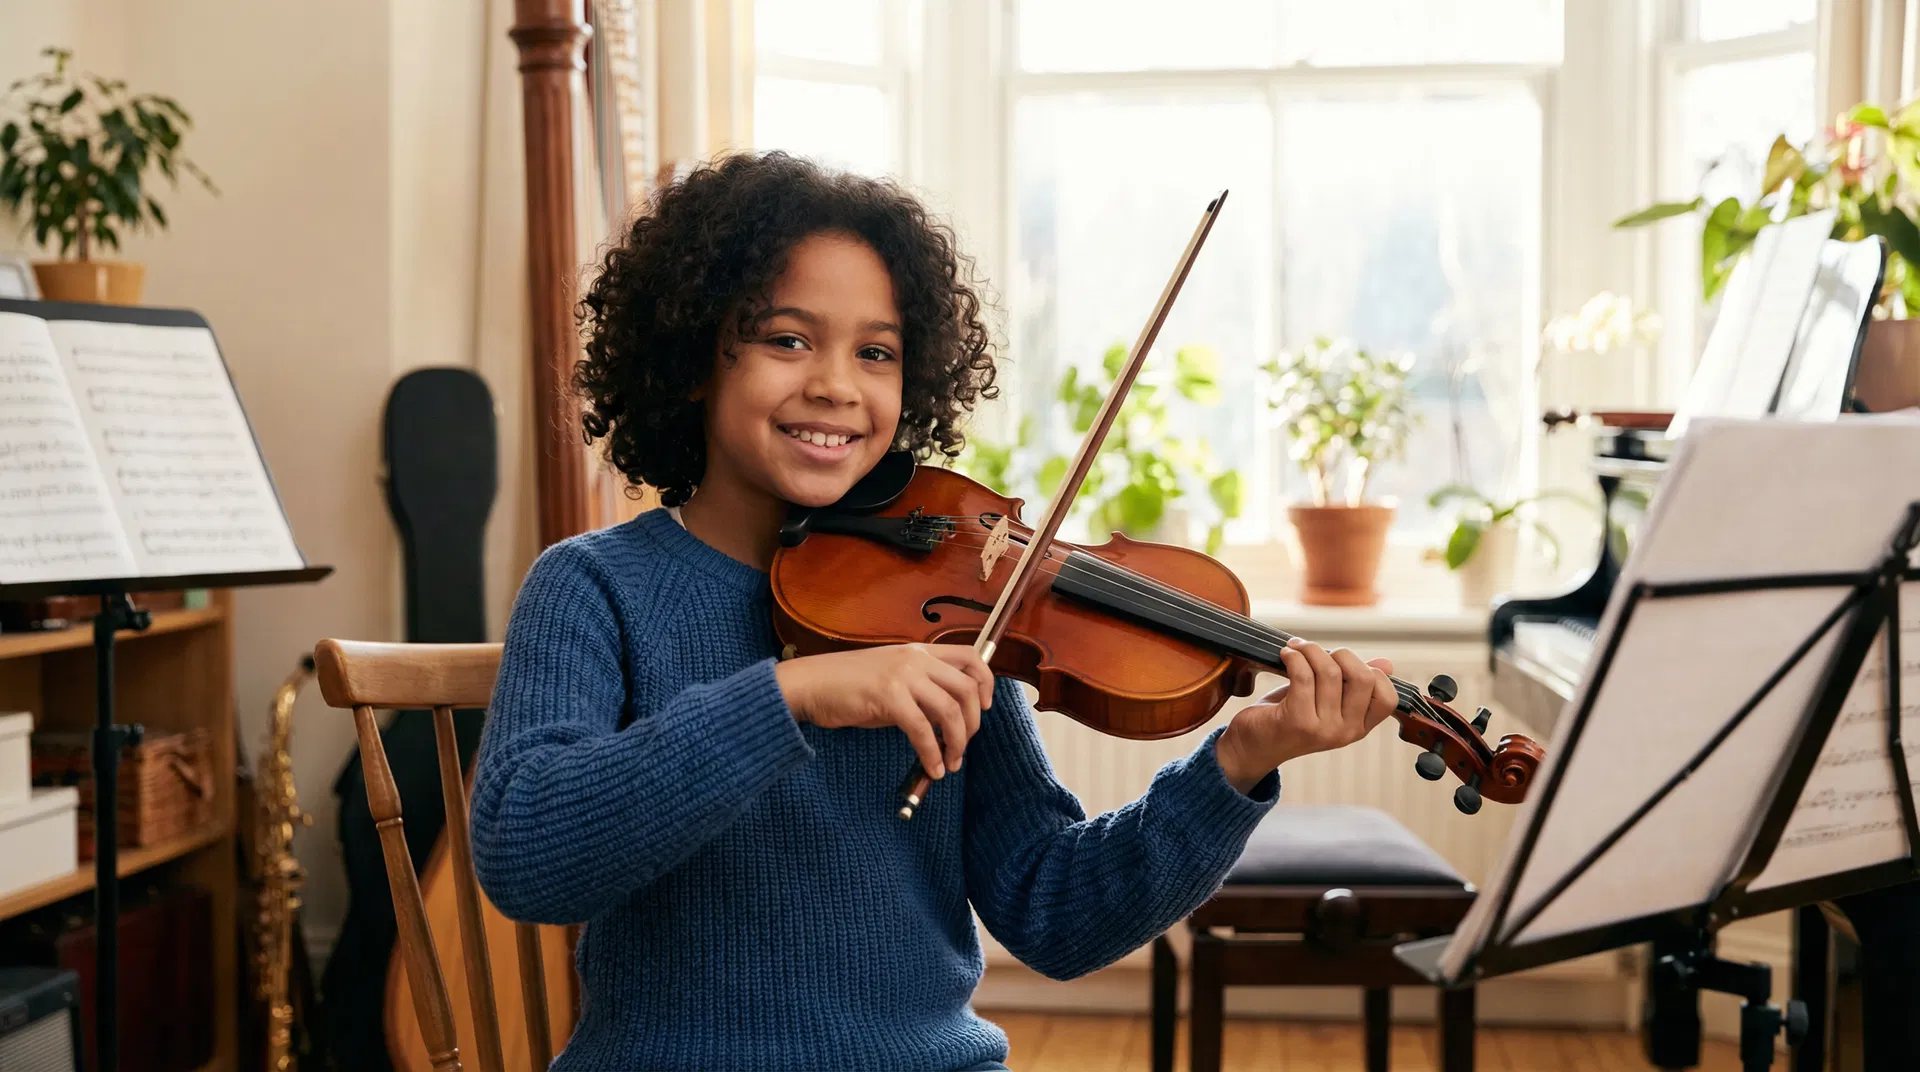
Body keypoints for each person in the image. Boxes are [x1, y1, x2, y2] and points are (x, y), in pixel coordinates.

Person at [468, 150, 1400, 1071]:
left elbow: (1054, 914)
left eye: (876, 352)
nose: (837, 383)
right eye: (788, 339)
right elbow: (529, 855)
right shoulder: (593, 586)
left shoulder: (952, 612)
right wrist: (791, 695)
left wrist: (1236, 764)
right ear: (690, 359)